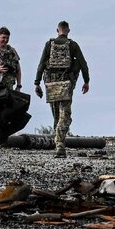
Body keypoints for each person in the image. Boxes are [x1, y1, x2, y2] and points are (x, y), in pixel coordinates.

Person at [34, 20, 89, 157]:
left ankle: (58, 143)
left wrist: (37, 83)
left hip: (51, 84)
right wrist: (86, 81)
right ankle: (60, 144)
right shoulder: (73, 45)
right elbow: (83, 64)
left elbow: (41, 64)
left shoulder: (49, 44)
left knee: (57, 115)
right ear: (68, 31)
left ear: (57, 30)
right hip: (66, 84)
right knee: (65, 116)